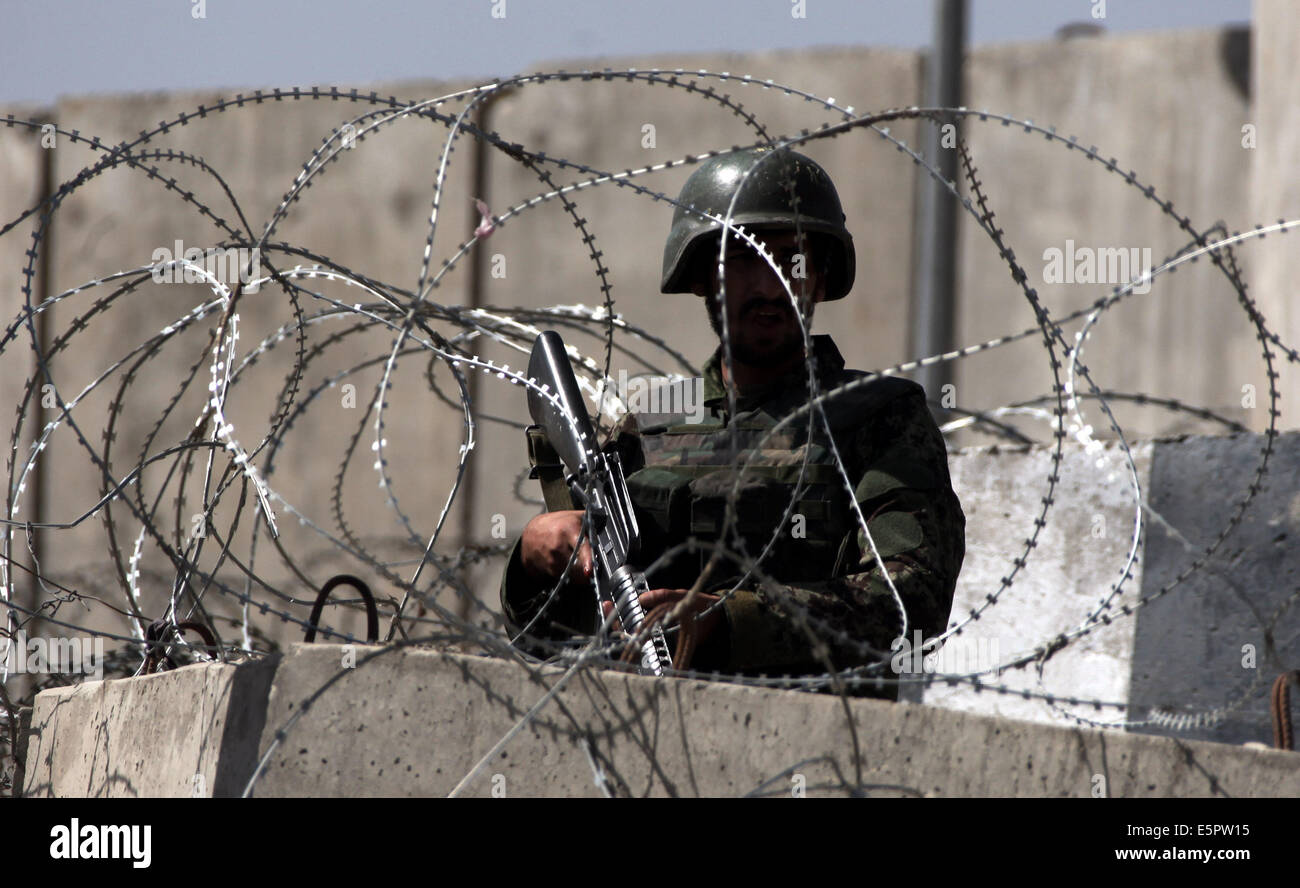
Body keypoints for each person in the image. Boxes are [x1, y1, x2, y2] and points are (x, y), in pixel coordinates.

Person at [498, 147, 965, 696]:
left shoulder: (877, 415)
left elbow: (911, 601)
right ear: (699, 276)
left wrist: (728, 621)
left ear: (820, 277)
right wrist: (533, 564)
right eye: (742, 259)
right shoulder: (640, 425)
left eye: (791, 258)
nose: (769, 286)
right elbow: (546, 643)